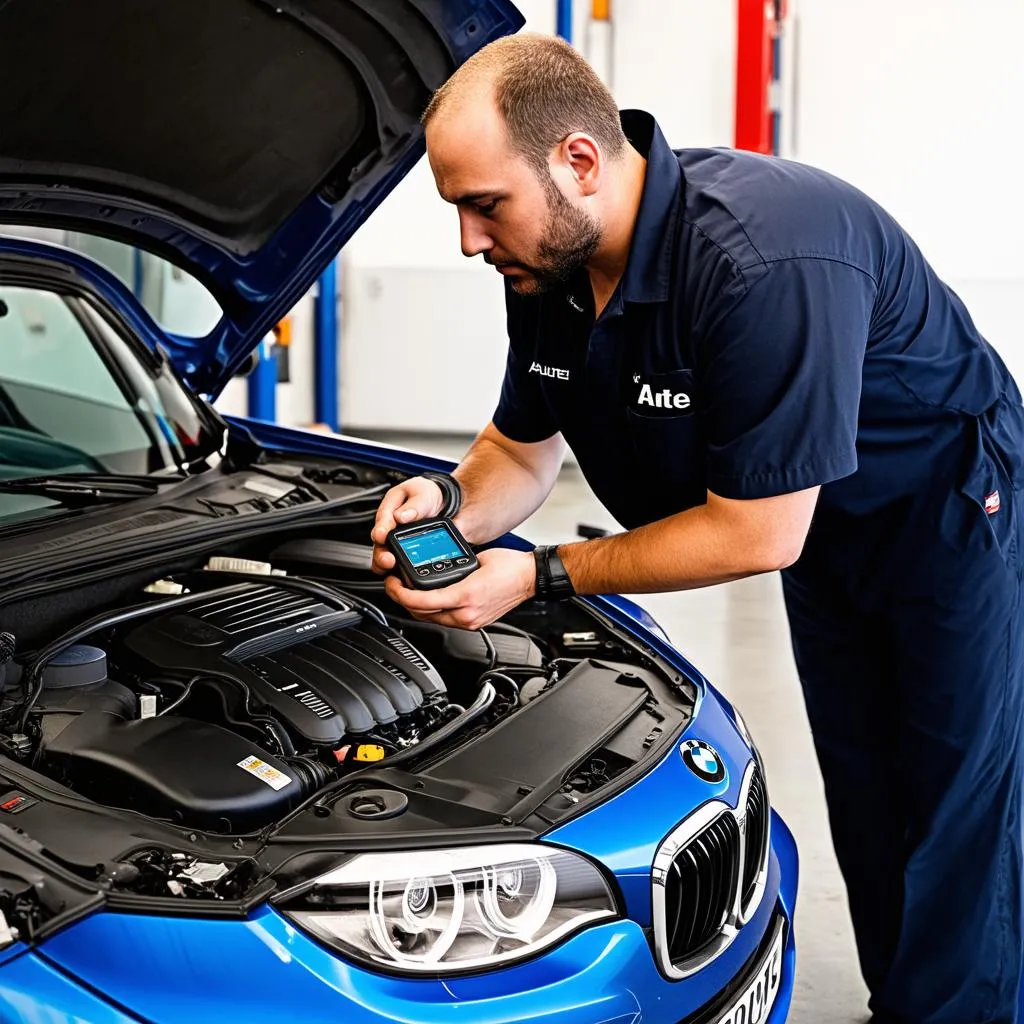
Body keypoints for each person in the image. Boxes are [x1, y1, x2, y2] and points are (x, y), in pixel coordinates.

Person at [369, 32, 1024, 1024]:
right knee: (864, 775)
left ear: (577, 162)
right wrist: (450, 503)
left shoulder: (762, 260)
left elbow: (757, 534)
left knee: (954, 793)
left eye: (481, 204)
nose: (468, 239)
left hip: (941, 506)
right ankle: (908, 999)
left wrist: (536, 574)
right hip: (817, 522)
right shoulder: (544, 268)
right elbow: (521, 447)